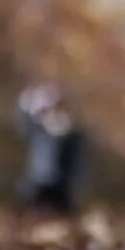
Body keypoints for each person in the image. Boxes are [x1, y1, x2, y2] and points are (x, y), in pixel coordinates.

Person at [17, 84, 86, 213]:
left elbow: (78, 164)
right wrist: (29, 100)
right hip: (37, 186)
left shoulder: (72, 134)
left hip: (61, 189)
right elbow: (24, 120)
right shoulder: (38, 130)